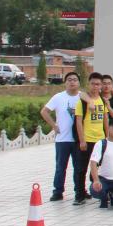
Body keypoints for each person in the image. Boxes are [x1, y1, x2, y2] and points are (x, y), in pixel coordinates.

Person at [40, 72, 81, 202]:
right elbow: (44, 111)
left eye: (75, 80)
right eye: (69, 80)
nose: (72, 82)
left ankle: (80, 191)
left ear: (79, 82)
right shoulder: (58, 97)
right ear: (65, 82)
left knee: (79, 168)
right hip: (62, 139)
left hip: (78, 139)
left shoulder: (82, 97)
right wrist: (54, 125)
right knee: (60, 167)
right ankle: (58, 191)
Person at [73, 72, 109, 206]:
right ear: (89, 84)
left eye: (98, 84)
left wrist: (107, 138)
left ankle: (97, 189)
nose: (95, 86)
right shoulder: (82, 101)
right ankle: (79, 195)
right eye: (93, 84)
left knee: (99, 166)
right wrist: (82, 140)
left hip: (100, 140)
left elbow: (105, 119)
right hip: (87, 139)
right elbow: (78, 121)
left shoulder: (102, 100)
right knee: (81, 168)